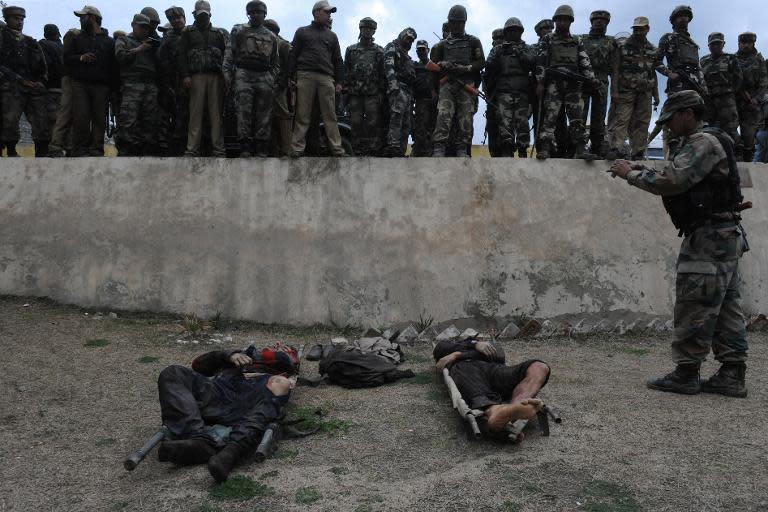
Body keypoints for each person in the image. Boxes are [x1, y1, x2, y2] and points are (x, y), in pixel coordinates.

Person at [608, 90, 750, 398]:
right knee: (725, 306)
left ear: (687, 113)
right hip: (722, 235)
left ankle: (686, 373)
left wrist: (630, 174)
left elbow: (672, 182)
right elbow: (674, 175)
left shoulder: (701, 143)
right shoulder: (708, 142)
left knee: (694, 302)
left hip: (708, 240)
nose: (669, 126)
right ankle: (732, 373)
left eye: (671, 119)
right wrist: (640, 170)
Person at [157, 343, 299, 482]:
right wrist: (227, 355)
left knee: (281, 382)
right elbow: (198, 365)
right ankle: (198, 441)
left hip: (252, 398)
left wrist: (279, 351)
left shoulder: (282, 363)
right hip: (220, 392)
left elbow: (287, 361)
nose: (276, 345)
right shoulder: (234, 359)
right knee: (172, 372)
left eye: (281, 346)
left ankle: (232, 451)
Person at [433, 337, 550, 439]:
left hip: (496, 371)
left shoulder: (486, 344)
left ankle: (518, 405)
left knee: (539, 367)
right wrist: (472, 346)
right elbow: (440, 348)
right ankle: (496, 411)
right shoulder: (450, 346)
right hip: (468, 371)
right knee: (471, 380)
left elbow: (498, 355)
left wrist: (458, 355)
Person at [534, 4, 597, 160]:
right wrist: (540, 82)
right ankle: (545, 148)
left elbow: (584, 60)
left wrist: (592, 79)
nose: (562, 23)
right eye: (559, 20)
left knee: (576, 117)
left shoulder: (577, 40)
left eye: (565, 20)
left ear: (570, 22)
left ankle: (581, 148)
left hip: (573, 84)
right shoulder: (548, 39)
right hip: (554, 83)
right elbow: (540, 61)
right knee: (550, 116)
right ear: (555, 21)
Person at [288, 1, 345, 157]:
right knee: (302, 113)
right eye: (327, 12)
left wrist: (339, 82)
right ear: (317, 12)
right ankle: (297, 149)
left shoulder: (332, 36)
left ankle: (337, 149)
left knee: (330, 115)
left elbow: (338, 60)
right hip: (305, 75)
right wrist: (290, 77)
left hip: (326, 77)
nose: (329, 15)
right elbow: (293, 56)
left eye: (330, 13)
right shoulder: (302, 32)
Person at [224, 1, 279, 158]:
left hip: (264, 74)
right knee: (243, 110)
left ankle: (261, 146)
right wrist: (228, 75)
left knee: (264, 113)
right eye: (253, 12)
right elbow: (229, 54)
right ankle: (245, 146)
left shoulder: (271, 36)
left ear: (264, 14)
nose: (256, 15)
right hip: (244, 73)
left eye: (259, 12)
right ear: (248, 14)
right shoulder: (239, 30)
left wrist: (271, 78)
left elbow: (276, 62)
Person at [430, 4, 485, 157]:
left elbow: (481, 62)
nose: (455, 25)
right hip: (447, 84)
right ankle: (439, 147)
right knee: (443, 114)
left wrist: (466, 68)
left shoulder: (473, 41)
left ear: (464, 23)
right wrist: (442, 65)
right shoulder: (441, 45)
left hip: (466, 85)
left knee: (465, 116)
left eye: (459, 22)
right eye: (453, 22)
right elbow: (432, 67)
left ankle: (462, 148)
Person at [178, 0, 229, 157]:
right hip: (196, 77)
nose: (203, 18)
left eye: (205, 15)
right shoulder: (187, 32)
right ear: (195, 14)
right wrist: (185, 75)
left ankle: (219, 149)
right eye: (200, 15)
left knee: (216, 115)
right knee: (195, 114)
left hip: (215, 77)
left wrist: (224, 77)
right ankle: (192, 149)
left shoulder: (219, 33)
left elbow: (226, 56)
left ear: (210, 14)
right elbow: (182, 56)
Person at [64, 5, 116, 157]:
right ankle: (80, 149)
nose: (80, 20)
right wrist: (81, 57)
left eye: (83, 16)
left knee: (100, 119)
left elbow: (114, 68)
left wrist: (113, 90)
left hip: (102, 87)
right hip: (80, 84)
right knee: (81, 118)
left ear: (92, 18)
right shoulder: (77, 39)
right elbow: (66, 59)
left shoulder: (109, 42)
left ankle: (96, 150)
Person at [607, 16, 659, 160]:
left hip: (645, 91)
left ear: (647, 29)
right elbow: (615, 69)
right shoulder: (623, 46)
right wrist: (614, 91)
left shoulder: (652, 49)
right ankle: (616, 148)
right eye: (636, 29)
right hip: (626, 89)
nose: (638, 32)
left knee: (642, 122)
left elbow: (652, 72)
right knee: (622, 119)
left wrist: (656, 94)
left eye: (641, 29)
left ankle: (638, 151)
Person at [0, 6, 48, 157]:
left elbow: (42, 64)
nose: (20, 22)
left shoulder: (30, 41)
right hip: (11, 86)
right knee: (10, 120)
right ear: (7, 19)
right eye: (16, 18)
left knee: (40, 120)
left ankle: (41, 151)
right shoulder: (2, 38)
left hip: (32, 86)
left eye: (22, 19)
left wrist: (41, 81)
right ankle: (11, 149)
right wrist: (19, 80)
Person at [484, 17, 534, 158]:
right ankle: (507, 147)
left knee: (522, 122)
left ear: (521, 32)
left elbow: (532, 63)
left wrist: (518, 52)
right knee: (504, 122)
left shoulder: (527, 48)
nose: (513, 33)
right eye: (510, 31)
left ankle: (523, 149)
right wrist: (500, 52)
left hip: (522, 91)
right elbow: (488, 67)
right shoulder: (498, 49)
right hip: (503, 91)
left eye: (516, 31)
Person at [114, 13, 160, 156]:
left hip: (150, 86)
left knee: (150, 121)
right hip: (132, 85)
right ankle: (125, 150)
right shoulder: (124, 40)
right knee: (128, 120)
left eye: (147, 28)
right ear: (133, 26)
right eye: (141, 27)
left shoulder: (152, 43)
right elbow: (120, 56)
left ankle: (146, 150)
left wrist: (156, 48)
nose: (145, 30)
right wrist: (140, 49)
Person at [344, 17, 385, 156]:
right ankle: (357, 150)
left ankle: (373, 150)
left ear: (374, 31)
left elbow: (382, 73)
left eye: (370, 29)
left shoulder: (379, 51)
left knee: (373, 122)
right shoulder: (351, 50)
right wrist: (346, 92)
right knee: (355, 122)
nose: (367, 31)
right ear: (360, 29)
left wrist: (380, 92)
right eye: (365, 28)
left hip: (372, 93)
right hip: (355, 93)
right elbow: (346, 71)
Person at [700, 32, 743, 157]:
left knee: (731, 130)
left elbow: (738, 79)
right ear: (709, 46)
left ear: (723, 44)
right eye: (713, 44)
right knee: (708, 130)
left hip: (726, 100)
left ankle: (739, 159)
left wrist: (728, 92)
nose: (715, 46)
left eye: (718, 43)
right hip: (708, 101)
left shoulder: (731, 58)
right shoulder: (703, 61)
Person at [580, 10, 615, 158]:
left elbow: (615, 65)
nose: (599, 22)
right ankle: (579, 146)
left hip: (602, 80)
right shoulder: (582, 39)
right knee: (580, 114)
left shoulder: (612, 41)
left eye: (603, 20)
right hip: (583, 80)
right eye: (596, 20)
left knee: (599, 116)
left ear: (607, 23)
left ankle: (597, 146)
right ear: (591, 22)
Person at [157, 6, 188, 156]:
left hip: (189, 81)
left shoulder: (191, 35)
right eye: (172, 19)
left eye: (178, 17)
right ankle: (172, 148)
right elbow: (161, 62)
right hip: (171, 82)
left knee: (186, 116)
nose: (176, 21)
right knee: (170, 116)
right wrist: (166, 84)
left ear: (184, 18)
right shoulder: (168, 40)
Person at [382, 27, 416, 157]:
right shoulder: (392, 46)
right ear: (402, 36)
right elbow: (388, 66)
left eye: (411, 40)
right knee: (396, 118)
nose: (409, 41)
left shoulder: (407, 55)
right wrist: (393, 84)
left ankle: (400, 150)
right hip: (398, 88)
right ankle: (393, 146)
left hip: (408, 91)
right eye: (407, 38)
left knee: (406, 123)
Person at [734, 32, 768, 163]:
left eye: (749, 43)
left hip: (752, 104)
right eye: (744, 43)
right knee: (731, 135)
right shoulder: (733, 59)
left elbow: (764, 82)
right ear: (739, 43)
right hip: (734, 102)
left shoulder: (758, 59)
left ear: (753, 43)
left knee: (750, 139)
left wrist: (757, 99)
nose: (746, 45)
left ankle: (750, 167)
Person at [264, 18, 293, 157]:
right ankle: (271, 150)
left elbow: (290, 66)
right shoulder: (264, 43)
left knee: (283, 116)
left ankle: (286, 149)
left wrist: (282, 83)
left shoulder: (283, 45)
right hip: (264, 85)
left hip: (279, 86)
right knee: (266, 117)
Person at [37, 24, 64, 158]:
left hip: (49, 89)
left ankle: (48, 149)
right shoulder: (63, 47)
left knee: (49, 121)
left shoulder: (42, 45)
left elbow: (43, 66)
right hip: (64, 89)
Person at [411, 39, 436, 157]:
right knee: (420, 127)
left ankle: (431, 151)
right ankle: (418, 151)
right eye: (419, 50)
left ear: (428, 50)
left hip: (435, 102)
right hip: (420, 101)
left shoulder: (435, 66)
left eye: (423, 50)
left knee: (433, 127)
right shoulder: (414, 66)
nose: (421, 52)